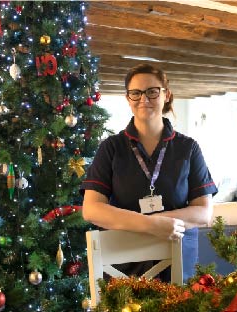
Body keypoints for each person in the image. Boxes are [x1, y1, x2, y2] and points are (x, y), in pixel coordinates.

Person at [81, 63, 218, 280]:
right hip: (123, 268)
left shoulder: (188, 148)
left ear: (166, 95)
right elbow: (91, 210)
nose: (144, 99)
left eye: (152, 92)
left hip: (179, 268)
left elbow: (203, 213)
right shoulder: (111, 147)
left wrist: (156, 222)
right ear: (128, 98)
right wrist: (151, 225)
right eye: (135, 93)